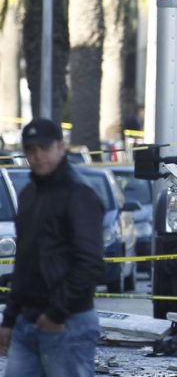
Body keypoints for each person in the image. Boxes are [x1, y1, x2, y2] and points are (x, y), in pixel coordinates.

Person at [0, 118, 105, 376]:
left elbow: (89, 263)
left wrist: (56, 314)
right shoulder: (28, 194)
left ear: (61, 147)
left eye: (44, 148)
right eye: (31, 150)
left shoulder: (79, 194)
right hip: (27, 322)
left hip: (68, 324)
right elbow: (24, 262)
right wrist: (10, 319)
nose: (38, 157)